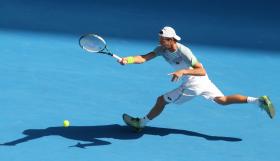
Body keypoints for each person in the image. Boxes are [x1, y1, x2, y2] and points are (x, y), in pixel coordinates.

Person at [118, 26, 275, 131]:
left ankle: (140, 123)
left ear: (171, 40)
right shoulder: (161, 49)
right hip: (202, 81)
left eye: (163, 39)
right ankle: (259, 101)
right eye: (160, 39)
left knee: (161, 100)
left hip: (194, 82)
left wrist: (182, 72)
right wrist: (128, 60)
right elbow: (144, 58)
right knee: (222, 100)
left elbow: (201, 70)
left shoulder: (184, 51)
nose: (159, 41)